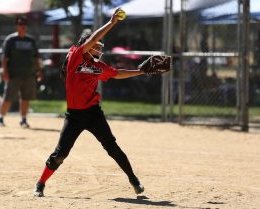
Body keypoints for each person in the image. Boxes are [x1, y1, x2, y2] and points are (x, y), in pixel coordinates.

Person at [34, 8, 145, 197]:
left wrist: (141, 71)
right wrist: (111, 23)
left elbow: (117, 74)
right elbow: (92, 39)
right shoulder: (75, 57)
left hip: (93, 113)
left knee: (112, 147)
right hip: (74, 116)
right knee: (60, 154)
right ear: (86, 45)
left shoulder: (98, 66)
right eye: (97, 47)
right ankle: (40, 183)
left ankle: (134, 179)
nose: (99, 50)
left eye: (101, 48)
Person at [0, 16, 43, 128]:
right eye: (20, 24)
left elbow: (36, 57)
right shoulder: (11, 40)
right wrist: (4, 71)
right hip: (13, 74)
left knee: (26, 98)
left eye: (24, 24)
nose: (22, 26)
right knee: (8, 97)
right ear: (17, 26)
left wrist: (39, 70)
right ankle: (1, 118)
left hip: (29, 74)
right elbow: (4, 57)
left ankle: (23, 119)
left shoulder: (31, 40)